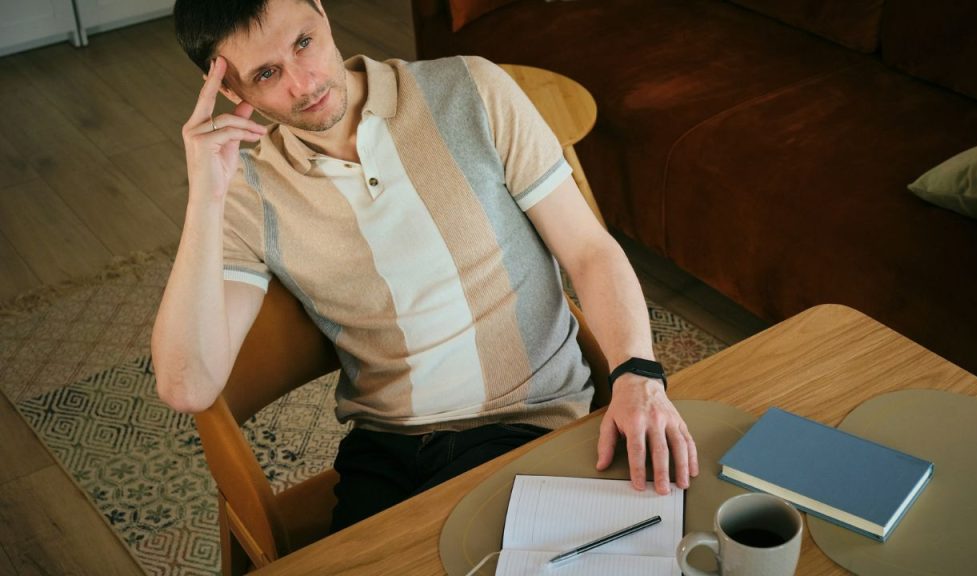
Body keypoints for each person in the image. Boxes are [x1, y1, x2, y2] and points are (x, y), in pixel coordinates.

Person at [154, 0, 698, 532]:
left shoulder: (471, 89)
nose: (305, 82)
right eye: (268, 72)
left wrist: (638, 374)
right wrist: (205, 195)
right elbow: (188, 387)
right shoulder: (244, 187)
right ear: (229, 90)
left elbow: (589, 250)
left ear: (321, 11)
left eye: (304, 42)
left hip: (527, 420)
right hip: (384, 451)